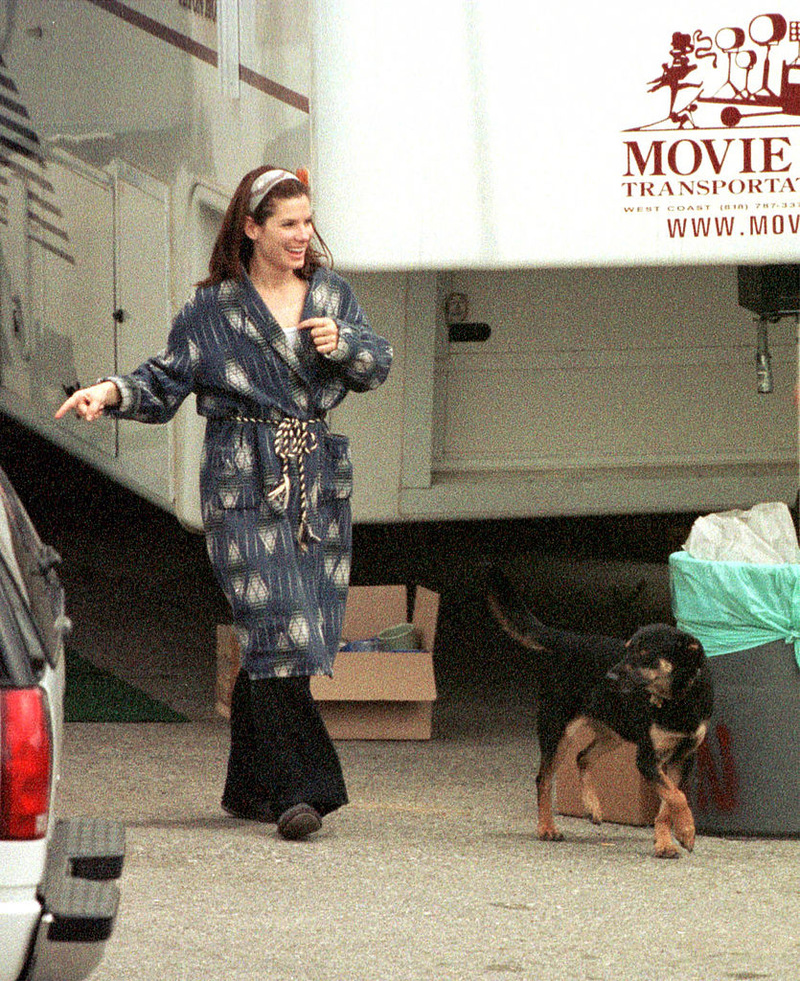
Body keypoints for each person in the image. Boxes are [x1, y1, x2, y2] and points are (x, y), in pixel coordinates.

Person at [56, 165, 393, 840]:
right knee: (277, 629)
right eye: (287, 224)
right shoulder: (213, 310)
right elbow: (165, 376)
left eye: (306, 223)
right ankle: (304, 787)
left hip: (316, 482)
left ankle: (247, 786)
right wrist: (109, 392)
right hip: (242, 479)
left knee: (301, 636)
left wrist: (345, 342)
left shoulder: (331, 294)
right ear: (250, 228)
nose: (302, 236)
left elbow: (375, 365)